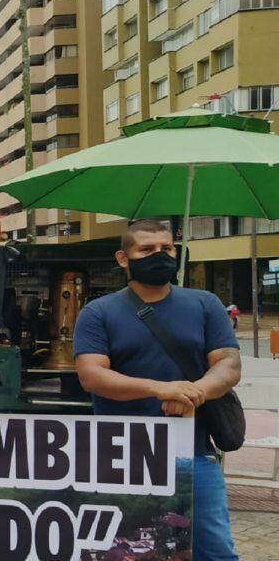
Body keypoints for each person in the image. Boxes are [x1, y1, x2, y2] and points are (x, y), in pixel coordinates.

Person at [74, 219, 241, 561]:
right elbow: (92, 375)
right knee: (127, 551)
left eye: (167, 249)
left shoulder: (206, 304)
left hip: (192, 454)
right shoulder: (98, 312)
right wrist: (161, 389)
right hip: (122, 456)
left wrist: (194, 392)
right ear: (123, 258)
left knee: (216, 551)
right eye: (147, 249)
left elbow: (229, 364)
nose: (160, 255)